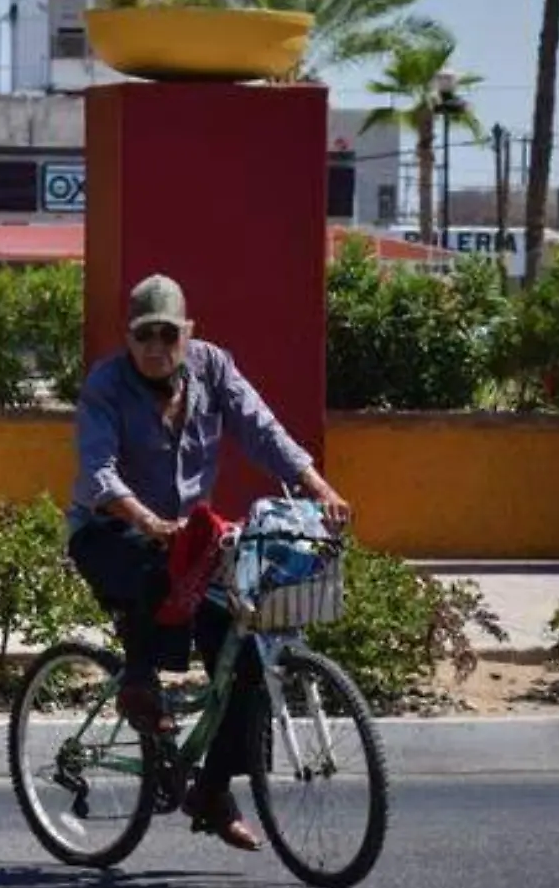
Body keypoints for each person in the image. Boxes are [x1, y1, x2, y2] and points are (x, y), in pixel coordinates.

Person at [67, 274, 352, 851]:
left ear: (187, 335)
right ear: (129, 338)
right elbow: (99, 471)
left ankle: (213, 791)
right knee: (151, 566)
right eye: (145, 335)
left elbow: (261, 428)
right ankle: (139, 683)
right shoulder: (106, 384)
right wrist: (146, 520)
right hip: (108, 532)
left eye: (167, 335)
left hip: (188, 539)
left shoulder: (212, 368)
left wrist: (316, 485)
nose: (156, 347)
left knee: (245, 655)